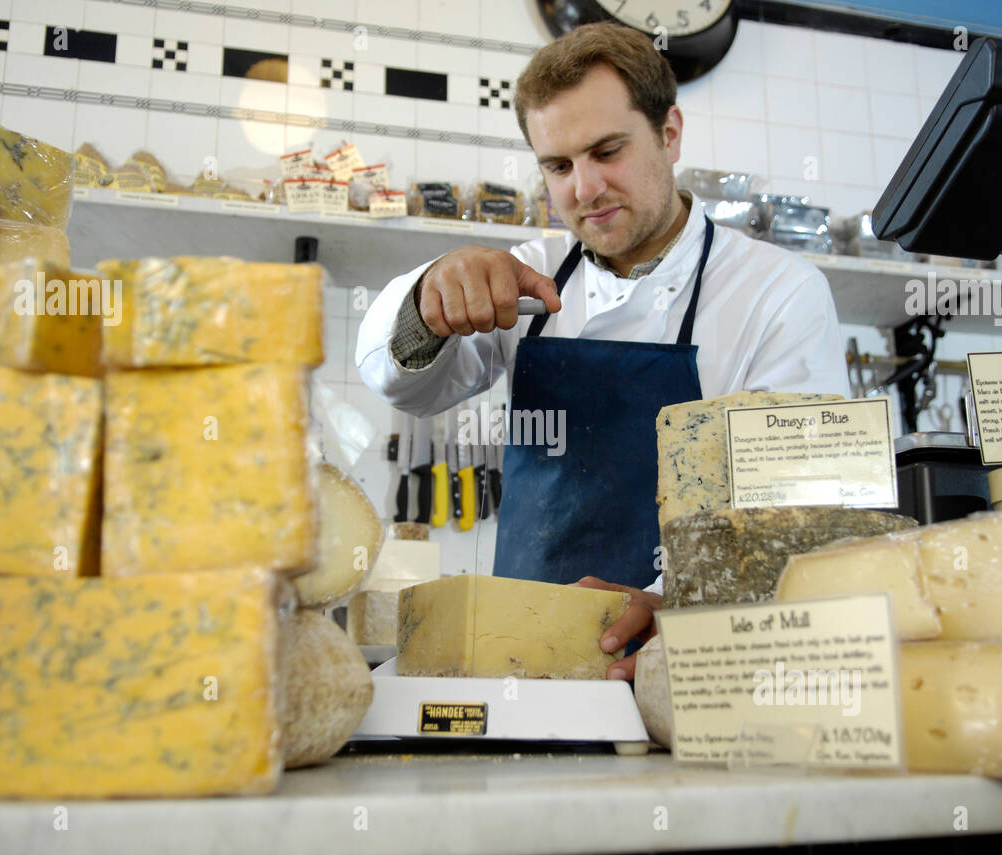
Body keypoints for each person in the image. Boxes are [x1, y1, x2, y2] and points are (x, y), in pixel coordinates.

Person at [356, 23, 849, 680]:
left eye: (606, 151)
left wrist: (680, 611)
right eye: (558, 166)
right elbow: (403, 386)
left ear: (669, 134)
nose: (583, 189)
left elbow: (802, 520)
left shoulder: (778, 291)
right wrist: (428, 299)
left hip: (696, 661)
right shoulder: (525, 276)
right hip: (526, 661)